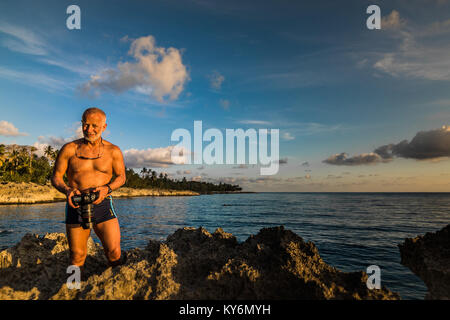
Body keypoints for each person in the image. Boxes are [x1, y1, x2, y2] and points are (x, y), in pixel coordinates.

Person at [51, 107, 127, 269]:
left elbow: (121, 177)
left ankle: (116, 282)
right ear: (81, 124)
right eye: (86, 125)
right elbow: (56, 177)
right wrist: (67, 190)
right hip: (76, 205)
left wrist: (107, 189)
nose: (89, 130)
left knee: (114, 251)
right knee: (77, 256)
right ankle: (73, 289)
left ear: (104, 127)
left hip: (103, 204)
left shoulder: (113, 151)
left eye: (95, 126)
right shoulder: (69, 149)